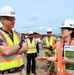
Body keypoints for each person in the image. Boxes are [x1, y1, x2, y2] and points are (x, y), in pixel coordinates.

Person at [0, 6, 28, 75]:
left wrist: (11, 50)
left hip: (21, 69)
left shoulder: (18, 34)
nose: (14, 21)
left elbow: (26, 48)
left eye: (14, 19)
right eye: (11, 19)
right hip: (7, 71)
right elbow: (6, 51)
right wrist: (20, 45)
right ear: (3, 20)